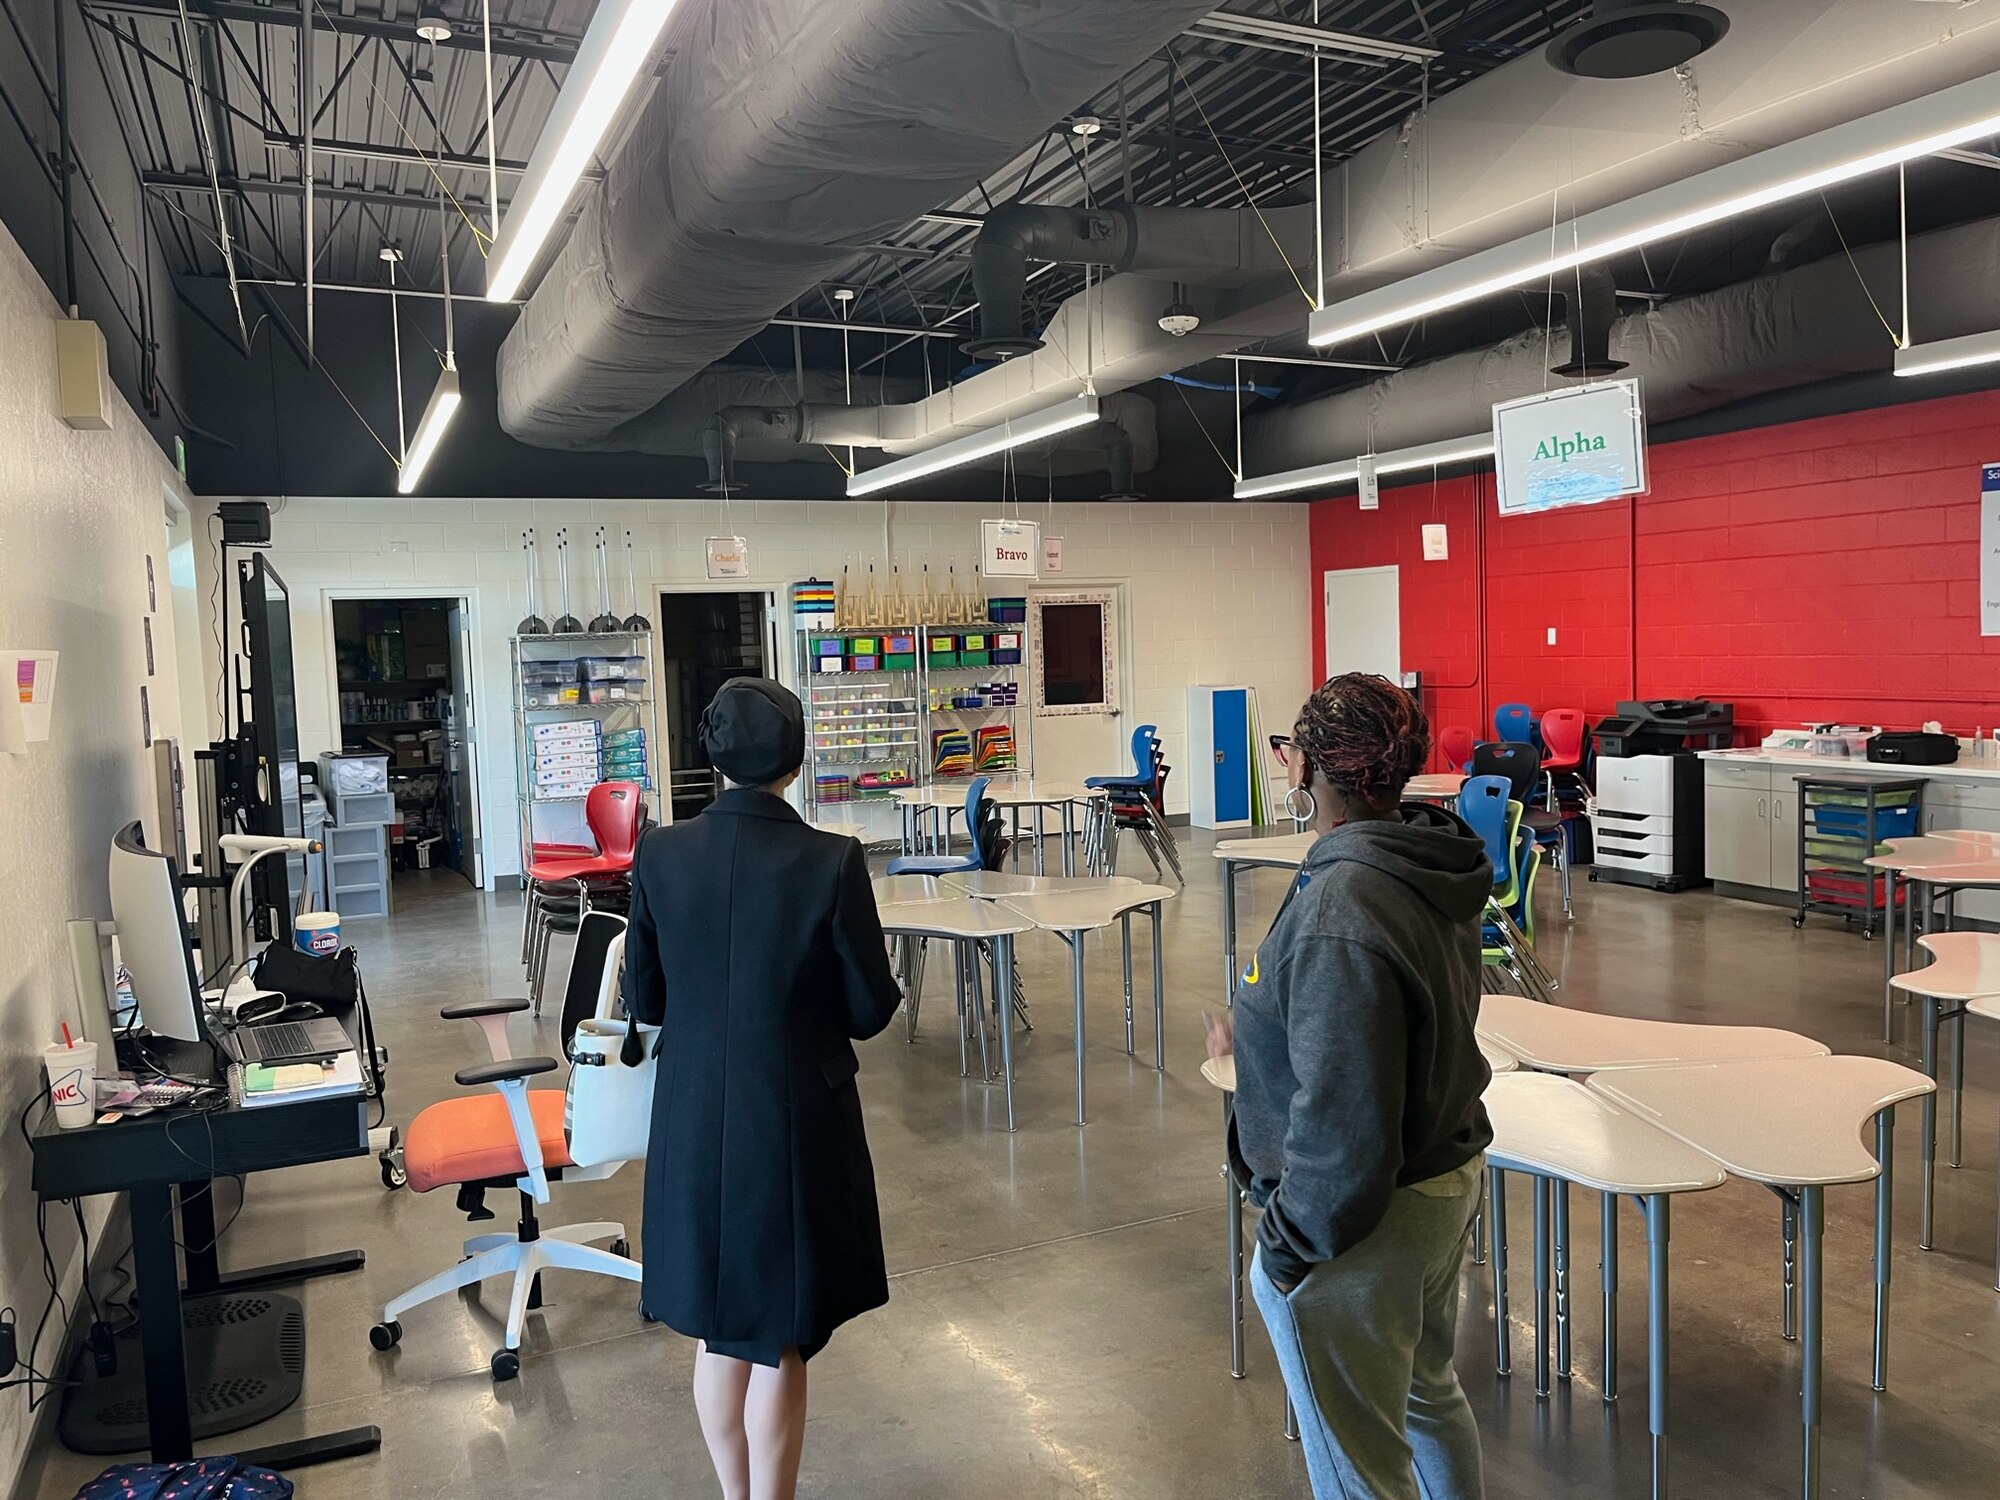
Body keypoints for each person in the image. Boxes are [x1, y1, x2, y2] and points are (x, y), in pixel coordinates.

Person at [1209, 672, 1495, 1500]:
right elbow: (1376, 1024)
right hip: (1440, 1172)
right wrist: (1265, 1032)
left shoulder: (1345, 901)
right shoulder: (1419, 859)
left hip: (1364, 1221)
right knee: (1422, 1393)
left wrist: (1287, 1253)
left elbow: (1345, 1129)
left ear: (1305, 769)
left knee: (1357, 1462)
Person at [623, 677, 902, 1500]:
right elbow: (868, 1010)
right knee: (778, 1333)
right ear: (797, 757)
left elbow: (647, 999)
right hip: (793, 1121)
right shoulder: (832, 859)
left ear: (710, 755)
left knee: (718, 1328)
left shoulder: (660, 853)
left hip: (692, 1113)